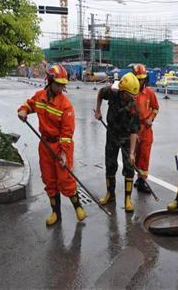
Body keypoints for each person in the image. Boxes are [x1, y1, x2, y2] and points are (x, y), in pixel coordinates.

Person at [17, 64, 86, 226]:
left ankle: (78, 206)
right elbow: (29, 105)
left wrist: (63, 154)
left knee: (65, 179)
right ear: (49, 81)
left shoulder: (66, 105)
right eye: (58, 84)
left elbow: (67, 135)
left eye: (63, 84)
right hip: (45, 146)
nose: (61, 87)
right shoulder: (40, 96)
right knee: (49, 180)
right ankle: (56, 213)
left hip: (61, 146)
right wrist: (23, 111)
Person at [94, 72, 140, 212]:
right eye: (130, 94)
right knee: (110, 164)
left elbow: (134, 132)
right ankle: (110, 194)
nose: (132, 97)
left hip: (126, 137)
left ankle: (128, 199)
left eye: (134, 95)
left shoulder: (133, 107)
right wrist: (98, 110)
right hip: (112, 134)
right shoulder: (112, 93)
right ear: (123, 91)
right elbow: (100, 93)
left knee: (129, 167)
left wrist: (132, 153)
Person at [131, 64, 159, 194]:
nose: (141, 81)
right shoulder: (130, 93)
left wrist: (151, 118)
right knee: (134, 155)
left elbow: (155, 108)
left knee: (145, 155)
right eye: (138, 78)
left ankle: (142, 180)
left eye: (143, 78)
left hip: (146, 129)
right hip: (134, 129)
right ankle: (135, 178)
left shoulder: (149, 93)